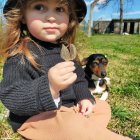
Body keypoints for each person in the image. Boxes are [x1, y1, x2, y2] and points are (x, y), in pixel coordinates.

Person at [0, 0, 136, 139]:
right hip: (37, 118)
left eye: (59, 9)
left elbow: (79, 80)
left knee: (101, 107)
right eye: (39, 7)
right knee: (71, 125)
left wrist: (84, 98)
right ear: (22, 16)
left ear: (70, 17)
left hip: (69, 111)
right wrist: (49, 86)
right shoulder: (21, 55)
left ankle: (85, 130)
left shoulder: (66, 51)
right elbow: (12, 95)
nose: (51, 17)